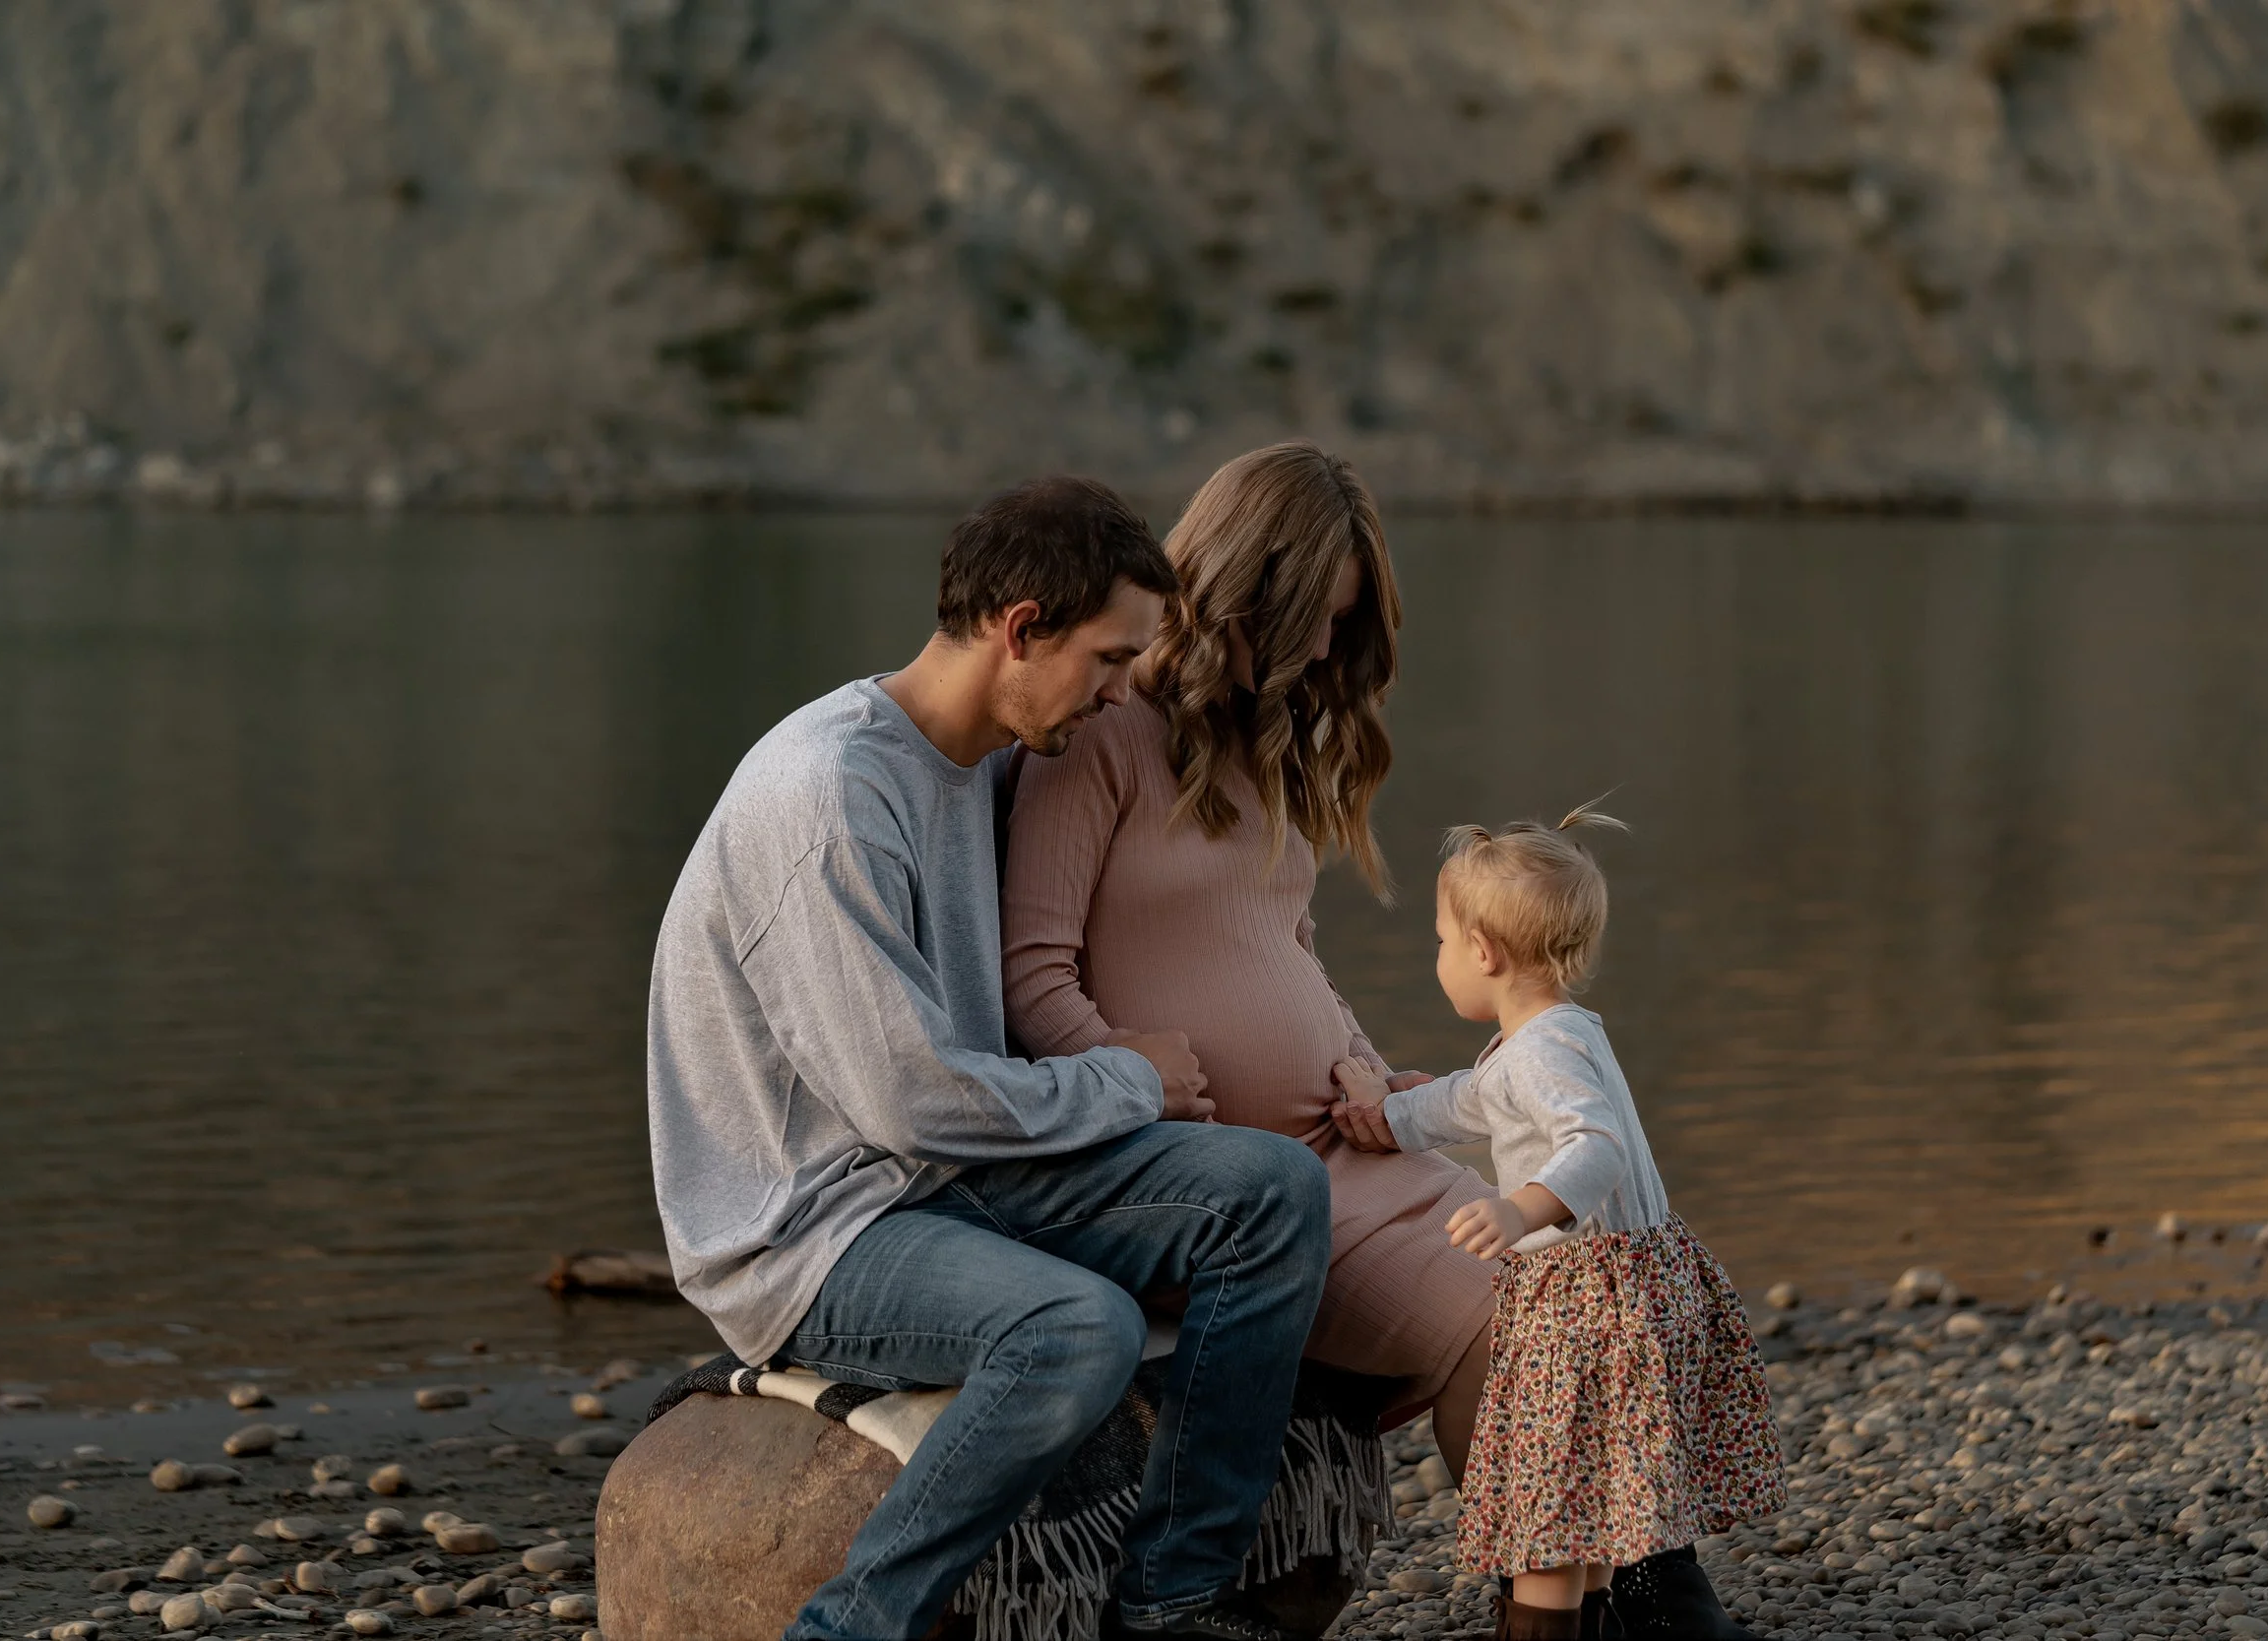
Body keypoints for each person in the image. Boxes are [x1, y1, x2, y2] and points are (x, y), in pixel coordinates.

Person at [646, 475, 1333, 1641]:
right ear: (1022, 628)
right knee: (1078, 1328)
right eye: (1110, 661)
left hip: (949, 1180)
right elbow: (909, 1099)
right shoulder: (830, 797)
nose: (1124, 693)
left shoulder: (974, 759)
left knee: (1271, 1194)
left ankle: (1171, 1598)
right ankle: (849, 1626)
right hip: (816, 1227)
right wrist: (1129, 1077)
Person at [1001, 441, 1505, 1469]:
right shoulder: (1099, 727)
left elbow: (1287, 947)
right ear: (1241, 588)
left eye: (1341, 620)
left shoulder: (1259, 739)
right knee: (1504, 1326)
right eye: (1315, 614)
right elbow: (1029, 974)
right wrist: (1131, 1081)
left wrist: (1370, 1066)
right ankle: (1563, 1611)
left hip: (1352, 1155)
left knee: (1573, 1288)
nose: (1325, 648)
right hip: (1242, 1200)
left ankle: (1637, 1596)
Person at [1330, 806, 1788, 1641]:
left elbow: (1596, 1144)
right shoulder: (1551, 1034)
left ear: (1483, 952)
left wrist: (1520, 1206)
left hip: (1589, 1300)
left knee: (1547, 1503)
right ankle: (1604, 1624)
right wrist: (1384, 1113)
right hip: (1637, 1290)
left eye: (1439, 941)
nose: (1438, 957)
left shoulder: (1544, 1053)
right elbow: (1462, 1102)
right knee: (1598, 1488)